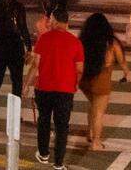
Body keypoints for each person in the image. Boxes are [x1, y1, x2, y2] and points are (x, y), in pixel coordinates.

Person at [24, 9, 83, 170]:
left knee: (44, 120)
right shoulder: (75, 42)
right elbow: (79, 70)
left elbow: (35, 65)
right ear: (67, 23)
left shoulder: (44, 39)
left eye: (50, 19)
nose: (49, 22)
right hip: (65, 90)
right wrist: (74, 85)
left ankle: (43, 154)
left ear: (56, 21)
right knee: (62, 127)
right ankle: (58, 163)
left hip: (43, 88)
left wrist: (25, 86)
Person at [78, 12, 128, 150]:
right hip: (102, 81)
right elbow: (122, 62)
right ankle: (96, 142)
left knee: (93, 105)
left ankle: (89, 132)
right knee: (99, 112)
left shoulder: (84, 41)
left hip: (85, 80)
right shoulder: (111, 43)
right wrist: (125, 74)